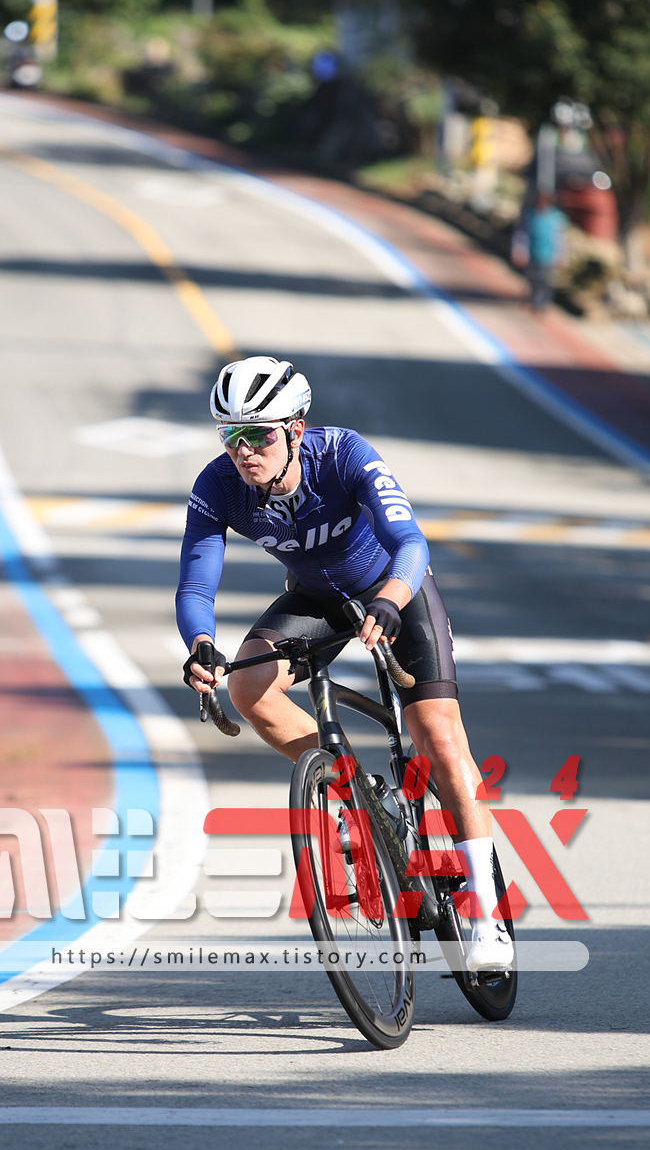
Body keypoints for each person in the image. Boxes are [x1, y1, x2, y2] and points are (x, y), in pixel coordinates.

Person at [178, 356, 514, 971]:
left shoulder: (344, 455)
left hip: (396, 590)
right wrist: (201, 644)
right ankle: (361, 792)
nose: (243, 451)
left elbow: (411, 542)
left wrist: (390, 600)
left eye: (258, 435)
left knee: (438, 736)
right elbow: (196, 587)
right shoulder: (218, 485)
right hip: (318, 599)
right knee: (248, 686)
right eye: (230, 436)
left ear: (295, 430)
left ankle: (487, 917)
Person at [516, 189, 568, 312]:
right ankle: (532, 299)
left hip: (548, 256)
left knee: (544, 282)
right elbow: (522, 234)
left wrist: (562, 255)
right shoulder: (530, 215)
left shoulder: (556, 218)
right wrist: (519, 250)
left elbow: (560, 239)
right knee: (532, 279)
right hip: (533, 254)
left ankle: (541, 305)